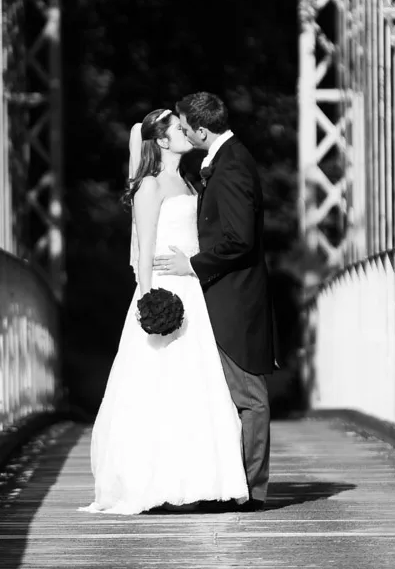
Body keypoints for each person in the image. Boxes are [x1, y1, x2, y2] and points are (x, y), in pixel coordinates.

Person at [79, 108, 249, 515]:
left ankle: (196, 482)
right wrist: (150, 302)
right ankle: (153, 482)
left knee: (195, 386)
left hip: (193, 291)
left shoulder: (189, 183)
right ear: (161, 140)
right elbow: (143, 250)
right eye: (178, 128)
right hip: (166, 292)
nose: (187, 132)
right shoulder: (150, 186)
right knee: (157, 385)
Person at [153, 92, 275, 510]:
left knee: (248, 396)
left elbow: (240, 239)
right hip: (216, 295)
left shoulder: (232, 166)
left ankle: (252, 491)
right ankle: (233, 483)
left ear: (202, 130)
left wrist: (194, 265)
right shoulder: (222, 162)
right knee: (224, 394)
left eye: (186, 126)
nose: (183, 131)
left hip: (233, 297)